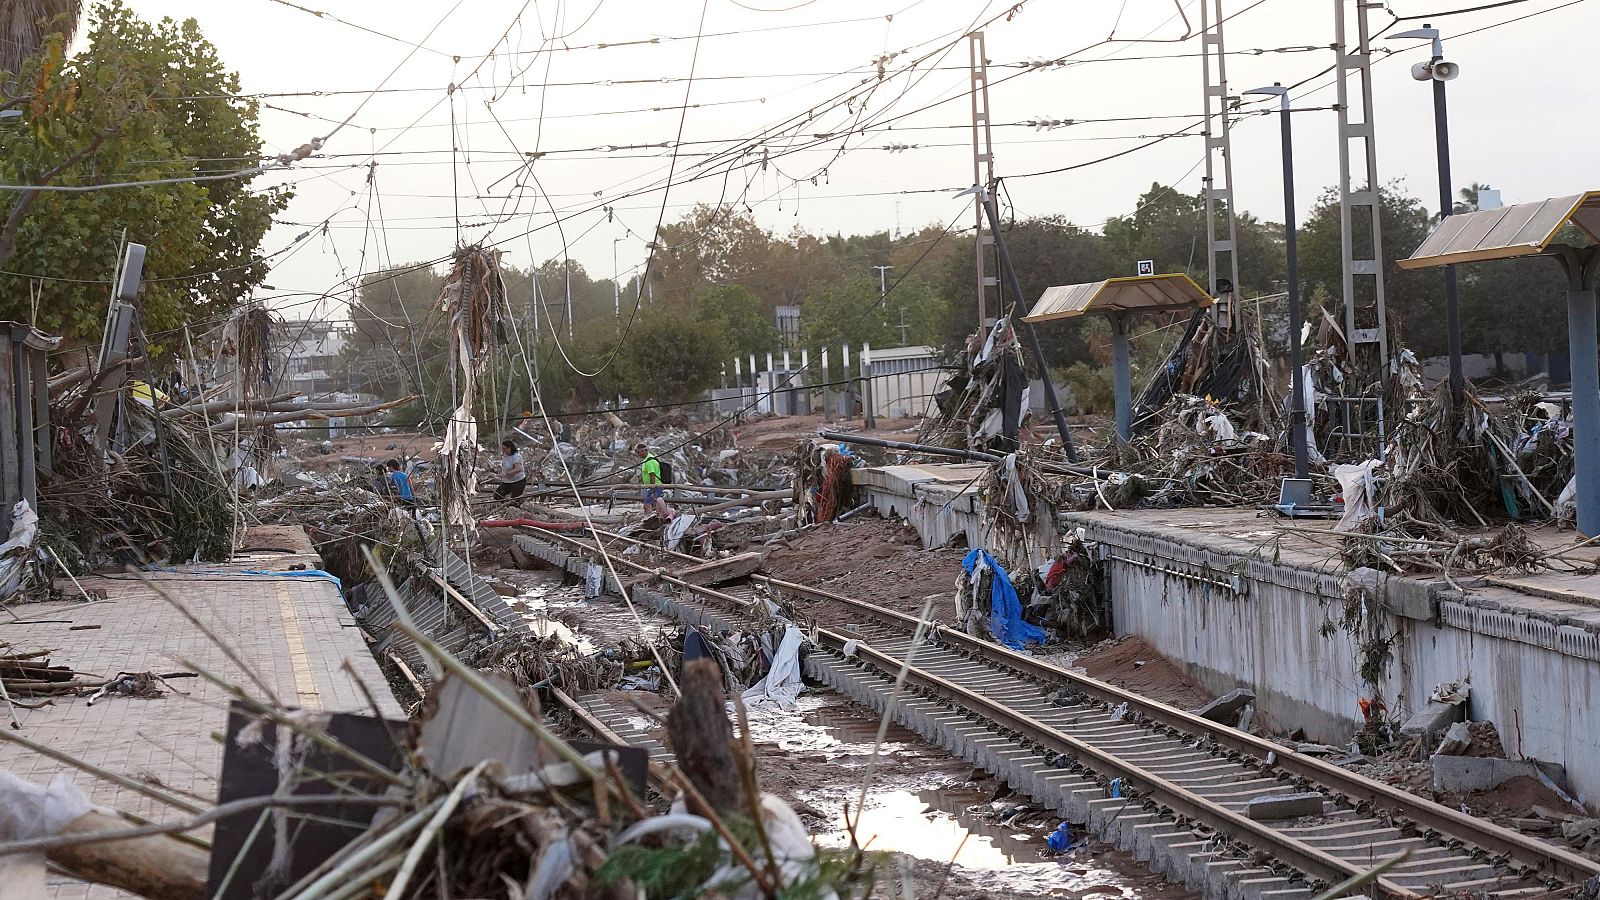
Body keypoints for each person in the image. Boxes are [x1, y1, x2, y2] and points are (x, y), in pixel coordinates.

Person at [635, 443, 671, 519]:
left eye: (638, 452)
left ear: (642, 451)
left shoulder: (649, 461)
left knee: (647, 504)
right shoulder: (647, 460)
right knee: (654, 504)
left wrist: (652, 487)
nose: (638, 455)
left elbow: (652, 475)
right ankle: (656, 518)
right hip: (654, 486)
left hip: (655, 486)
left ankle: (651, 519)